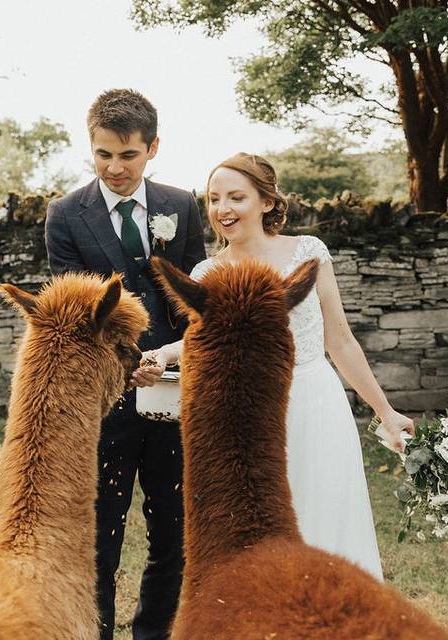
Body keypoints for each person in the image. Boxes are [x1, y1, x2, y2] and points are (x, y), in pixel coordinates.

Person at [146, 153, 414, 581]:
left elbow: (339, 339)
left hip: (314, 404)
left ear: (267, 202)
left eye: (236, 197)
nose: (222, 210)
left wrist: (386, 411)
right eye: (214, 199)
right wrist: (164, 353)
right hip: (247, 416)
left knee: (325, 522)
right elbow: (207, 336)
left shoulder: (308, 252)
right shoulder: (208, 271)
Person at [44, 89, 206, 639]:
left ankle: (155, 633)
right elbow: (74, 315)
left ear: (152, 147)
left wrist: (175, 361)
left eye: (128, 156)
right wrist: (125, 364)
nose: (115, 167)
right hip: (104, 402)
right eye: (103, 154)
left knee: (174, 533)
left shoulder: (181, 206)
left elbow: (193, 298)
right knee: (100, 536)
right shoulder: (65, 216)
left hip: (173, 395)